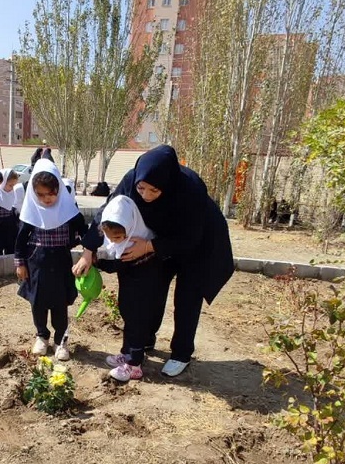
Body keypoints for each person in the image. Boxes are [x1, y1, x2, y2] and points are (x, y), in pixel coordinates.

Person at [74, 145, 234, 377]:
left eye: (154, 191)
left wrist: (148, 246)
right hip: (159, 238)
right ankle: (145, 340)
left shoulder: (190, 188)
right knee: (153, 288)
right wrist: (88, 250)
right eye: (142, 188)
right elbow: (108, 211)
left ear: (167, 185)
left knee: (187, 297)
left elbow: (191, 237)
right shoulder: (132, 179)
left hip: (199, 244)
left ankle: (181, 353)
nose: (146, 196)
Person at [15, 159, 87, 361]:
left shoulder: (69, 210)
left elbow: (85, 232)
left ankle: (61, 341)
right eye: (41, 194)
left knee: (60, 304)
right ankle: (41, 336)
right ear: (34, 193)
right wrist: (20, 263)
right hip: (36, 264)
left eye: (51, 193)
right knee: (37, 303)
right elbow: (20, 240)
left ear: (59, 190)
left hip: (62, 264)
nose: (47, 199)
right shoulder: (31, 212)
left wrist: (89, 252)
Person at [95, 195, 162, 383]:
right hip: (131, 289)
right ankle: (126, 353)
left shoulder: (134, 244)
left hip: (140, 292)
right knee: (129, 321)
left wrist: (98, 264)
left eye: (117, 237)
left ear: (130, 226)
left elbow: (118, 265)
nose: (115, 241)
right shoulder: (128, 239)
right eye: (110, 238)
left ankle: (134, 365)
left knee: (136, 325)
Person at [0, 169, 21, 256]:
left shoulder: (14, 194)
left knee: (11, 249)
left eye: (13, 185)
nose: (12, 188)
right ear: (3, 182)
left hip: (11, 229)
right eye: (10, 185)